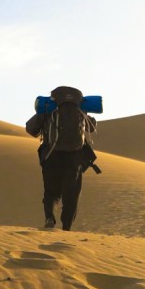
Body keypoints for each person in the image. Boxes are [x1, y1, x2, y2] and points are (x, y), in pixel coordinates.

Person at [26, 86, 97, 231]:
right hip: (74, 158)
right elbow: (92, 127)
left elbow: (30, 128)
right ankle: (67, 228)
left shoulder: (49, 109)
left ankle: (49, 218)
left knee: (52, 193)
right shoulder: (80, 110)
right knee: (71, 196)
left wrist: (44, 116)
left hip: (51, 156)